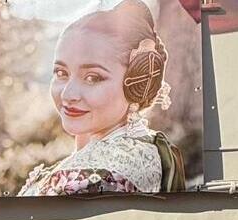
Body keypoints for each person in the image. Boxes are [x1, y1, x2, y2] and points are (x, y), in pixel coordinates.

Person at [19, 1, 184, 197]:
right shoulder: (141, 150)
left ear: (139, 83)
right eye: (61, 73)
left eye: (92, 78)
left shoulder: (101, 176)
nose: (67, 95)